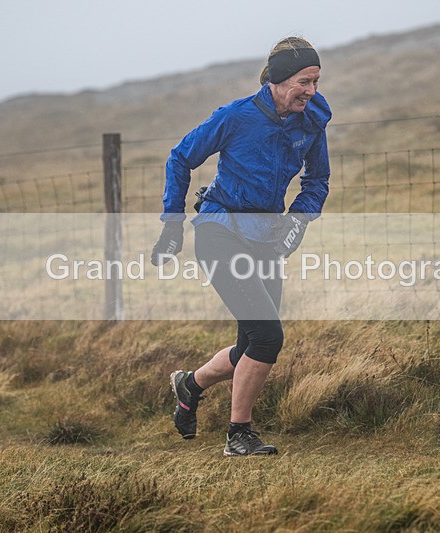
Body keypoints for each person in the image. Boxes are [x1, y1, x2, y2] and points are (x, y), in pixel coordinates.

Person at [151, 36, 331, 456]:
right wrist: (172, 225)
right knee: (268, 338)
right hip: (220, 231)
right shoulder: (236, 116)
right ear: (278, 80)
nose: (311, 91)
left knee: (251, 343)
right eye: (304, 81)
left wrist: (298, 220)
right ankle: (239, 435)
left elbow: (318, 179)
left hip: (267, 238)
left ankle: (190, 384)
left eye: (316, 82)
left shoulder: (311, 119)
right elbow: (180, 158)